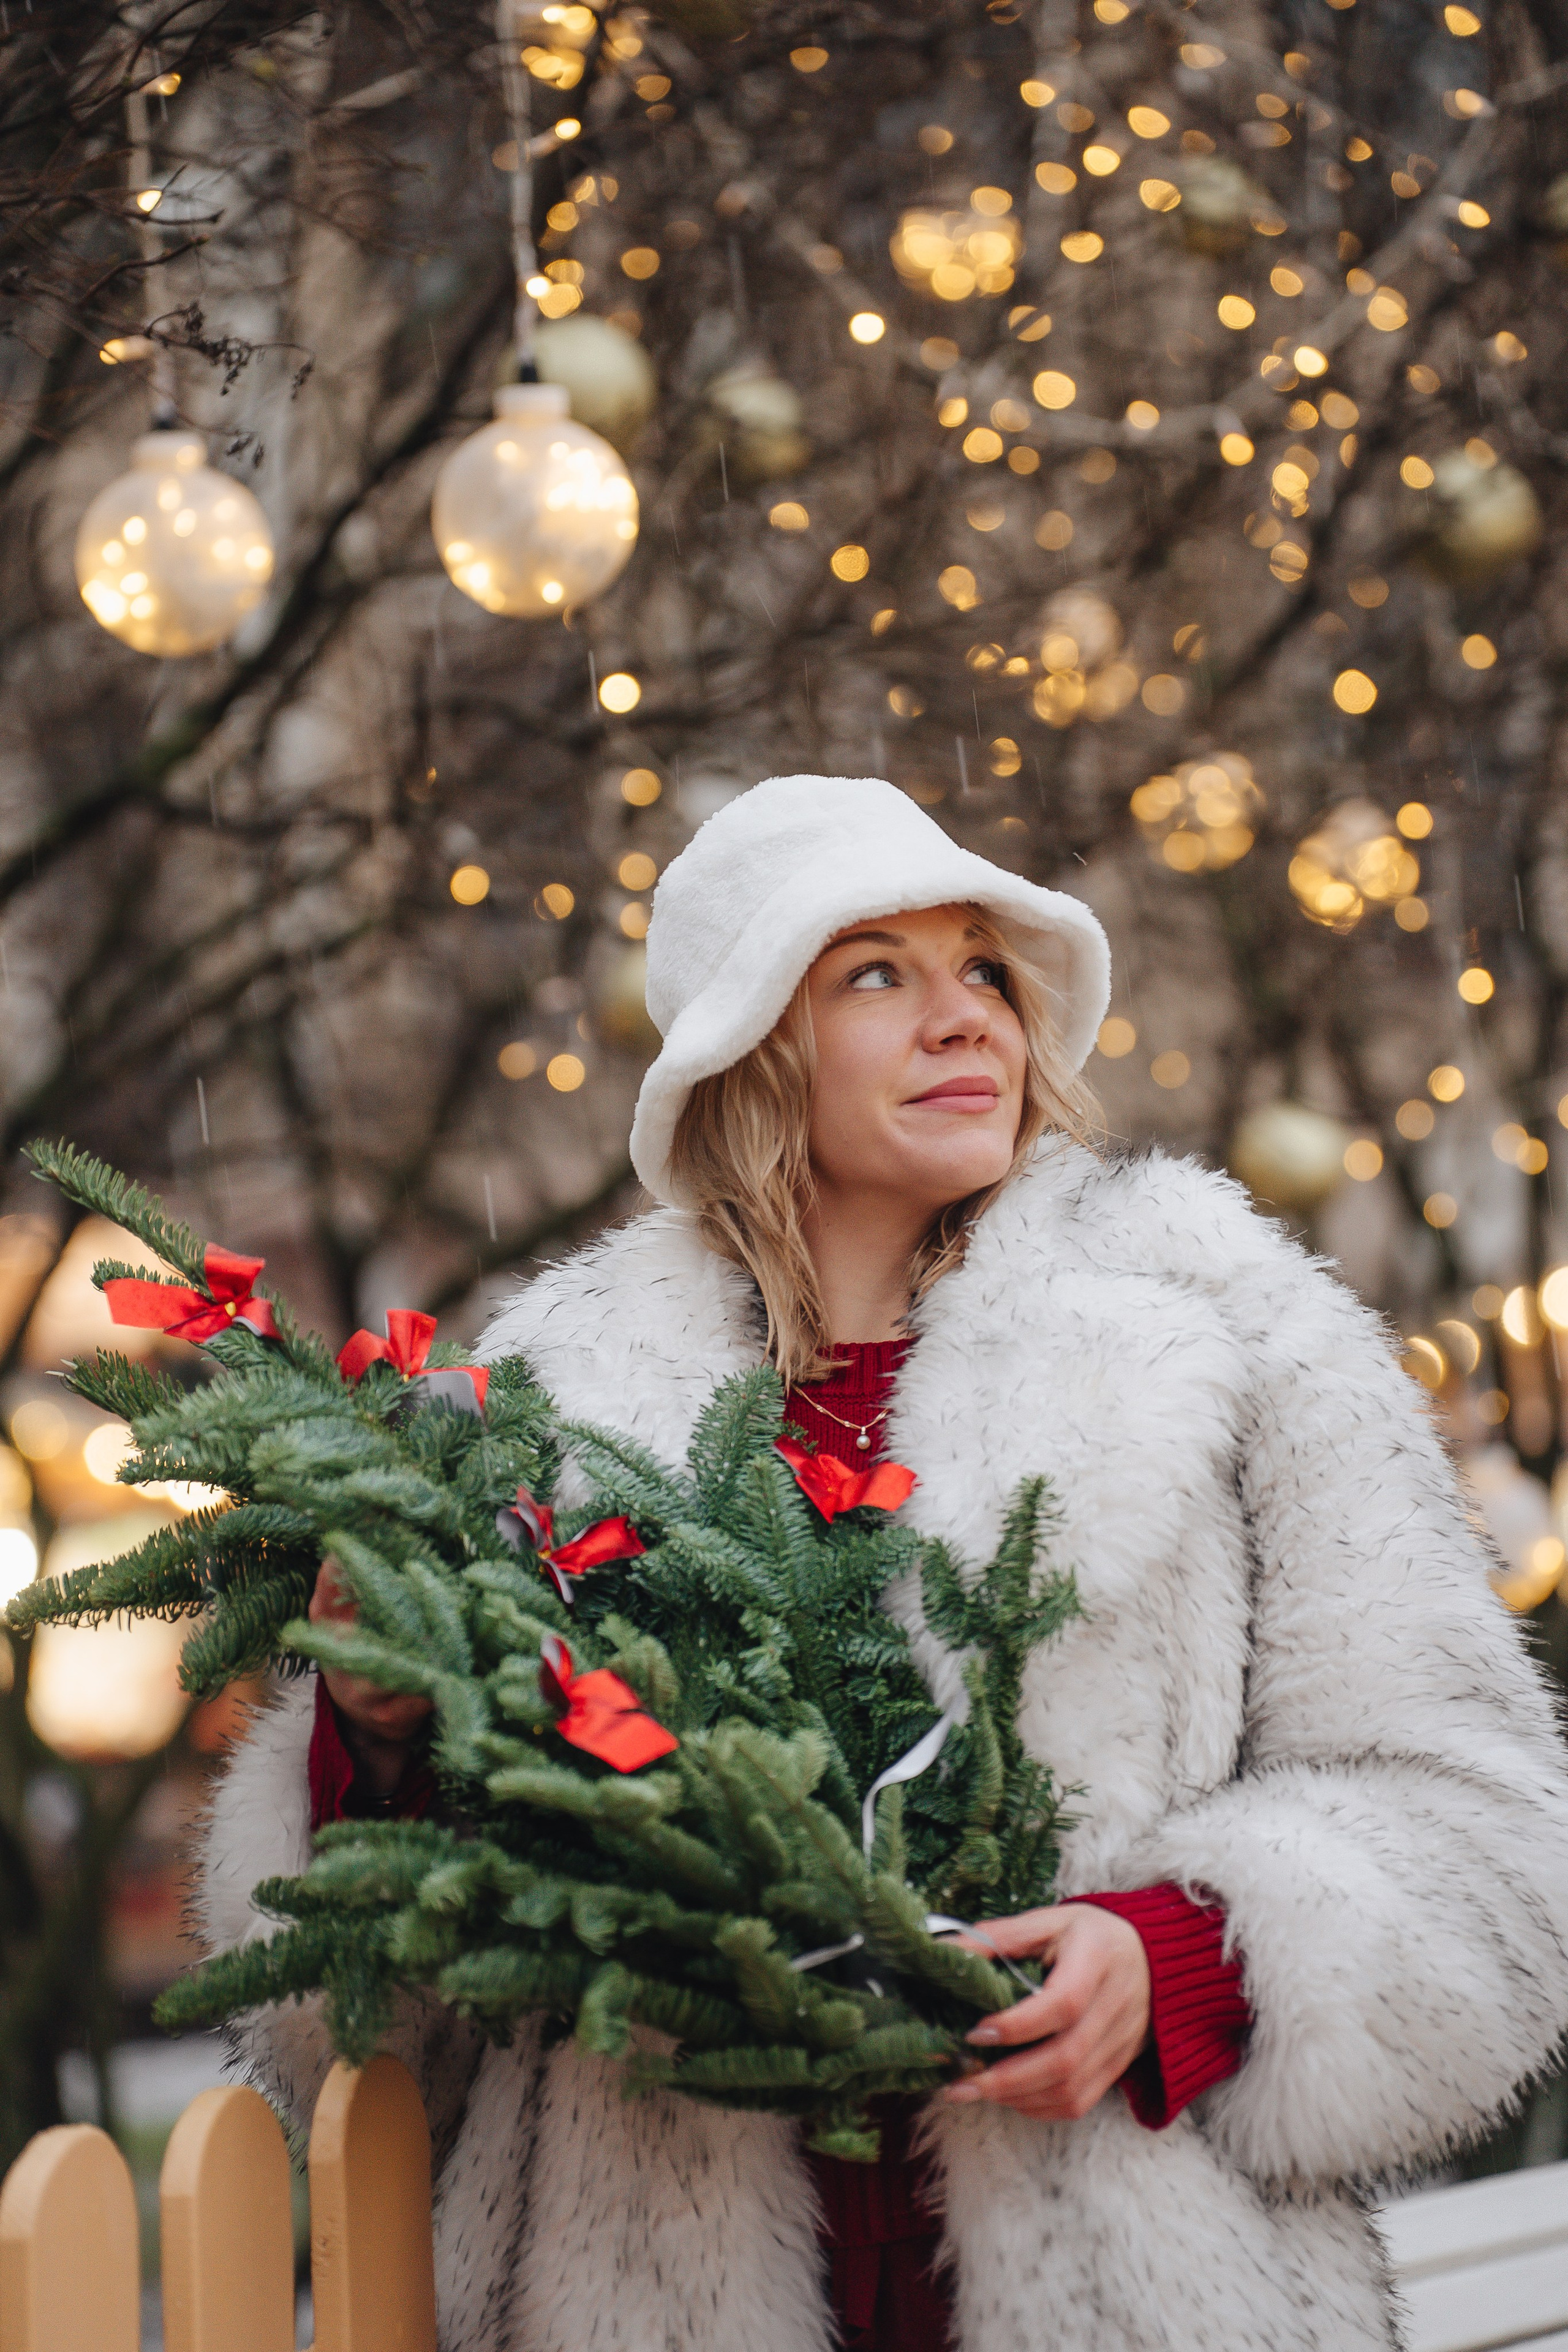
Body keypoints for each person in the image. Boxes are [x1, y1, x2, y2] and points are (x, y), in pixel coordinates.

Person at [199, 773, 1568, 2352]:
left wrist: (1182, 1958)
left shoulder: (1232, 1330)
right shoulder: (553, 1410)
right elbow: (368, 2017)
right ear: (752, 1046)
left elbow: (1483, 1832)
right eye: (877, 975)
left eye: (985, 970)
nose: (966, 1018)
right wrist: (378, 1742)